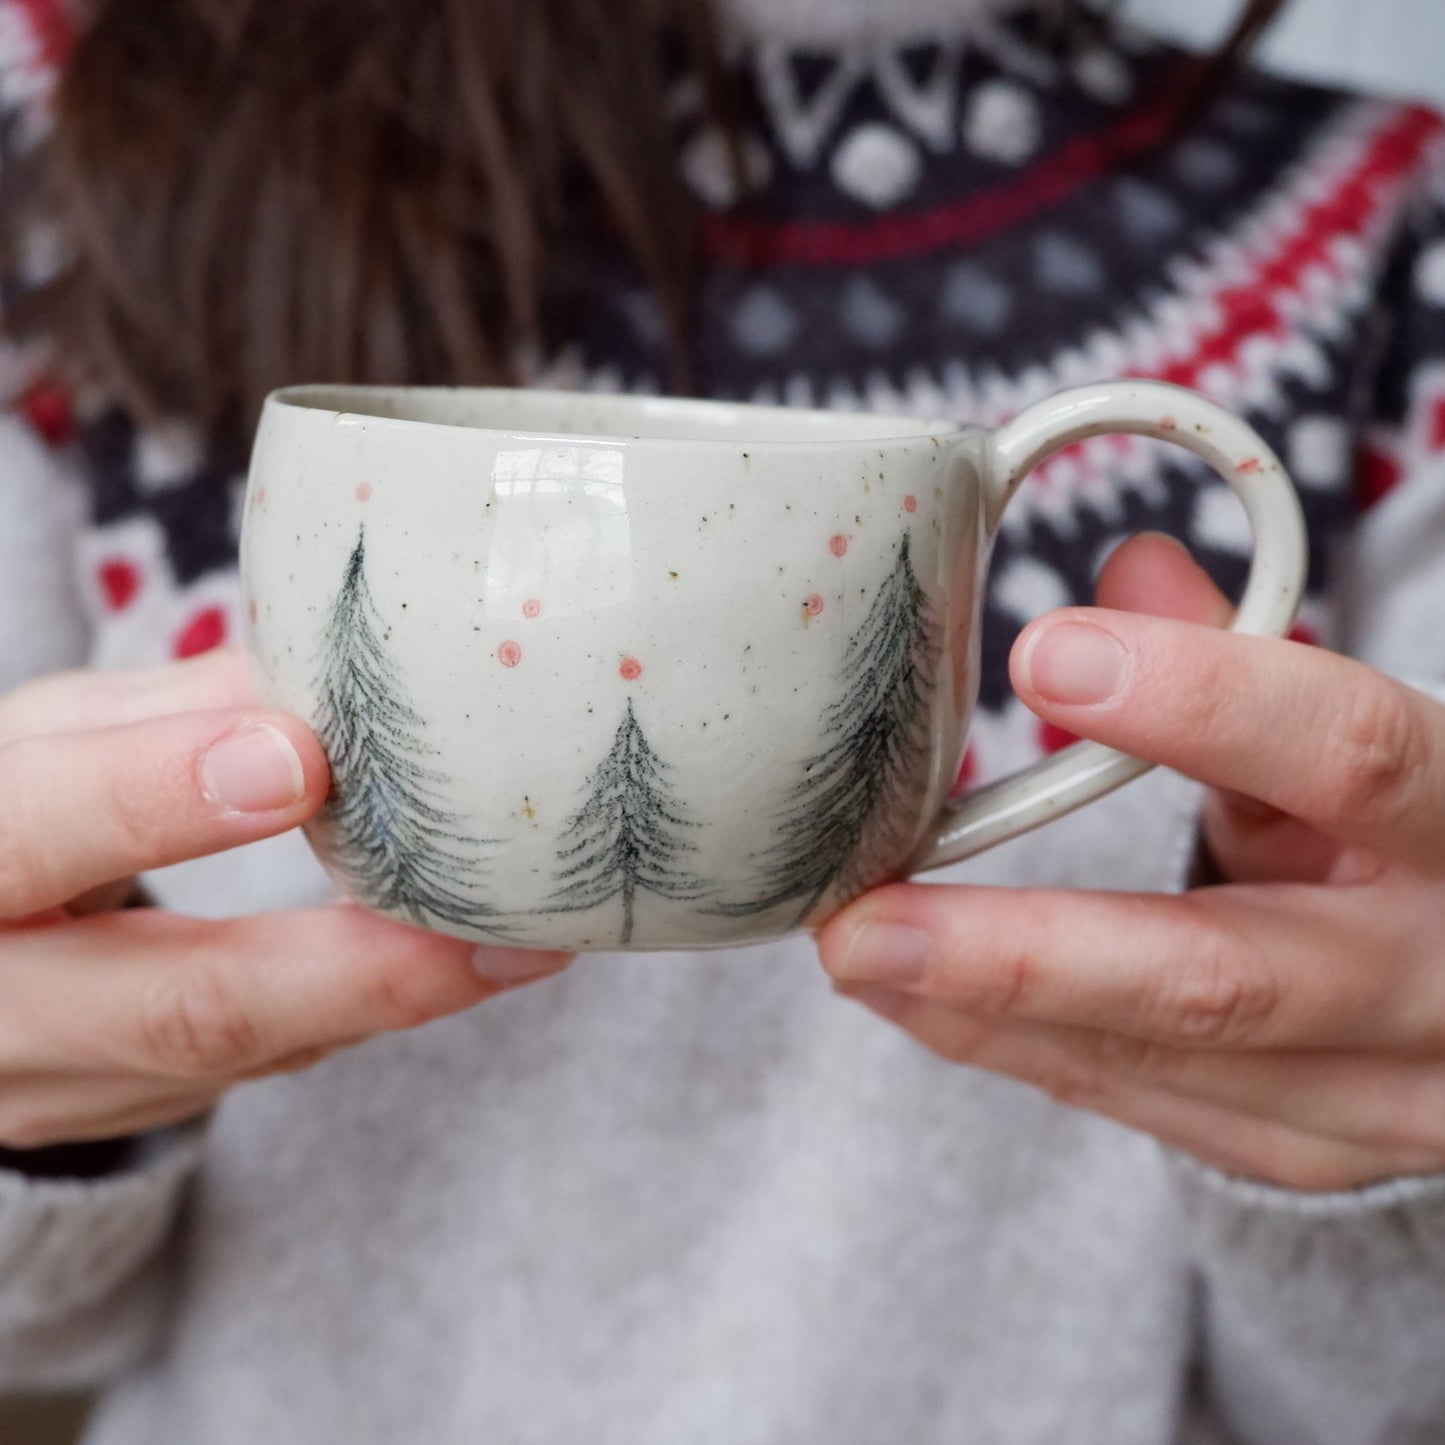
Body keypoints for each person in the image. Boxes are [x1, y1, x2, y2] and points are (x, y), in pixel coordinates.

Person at [1, 0, 1444, 1439]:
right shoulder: (73, 152)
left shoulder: (1395, 240)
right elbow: (43, 1329)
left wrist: (1375, 1163)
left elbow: (1374, 1395)